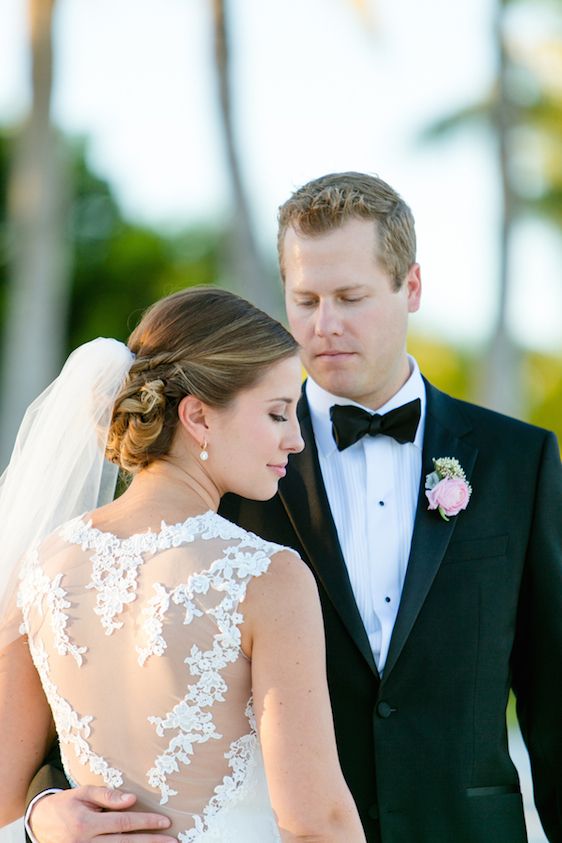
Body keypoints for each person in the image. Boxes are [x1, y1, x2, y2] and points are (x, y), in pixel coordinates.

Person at [23, 172, 562, 843]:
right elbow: (81, 691)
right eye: (303, 299)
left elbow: (553, 695)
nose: (323, 325)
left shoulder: (519, 460)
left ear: (411, 287)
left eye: (350, 297)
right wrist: (43, 812)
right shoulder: (229, 467)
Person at [0, 286, 366, 843]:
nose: (296, 440)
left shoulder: (43, 565)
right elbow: (317, 821)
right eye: (277, 413)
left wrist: (40, 817)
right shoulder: (267, 578)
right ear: (197, 416)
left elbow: (4, 799)